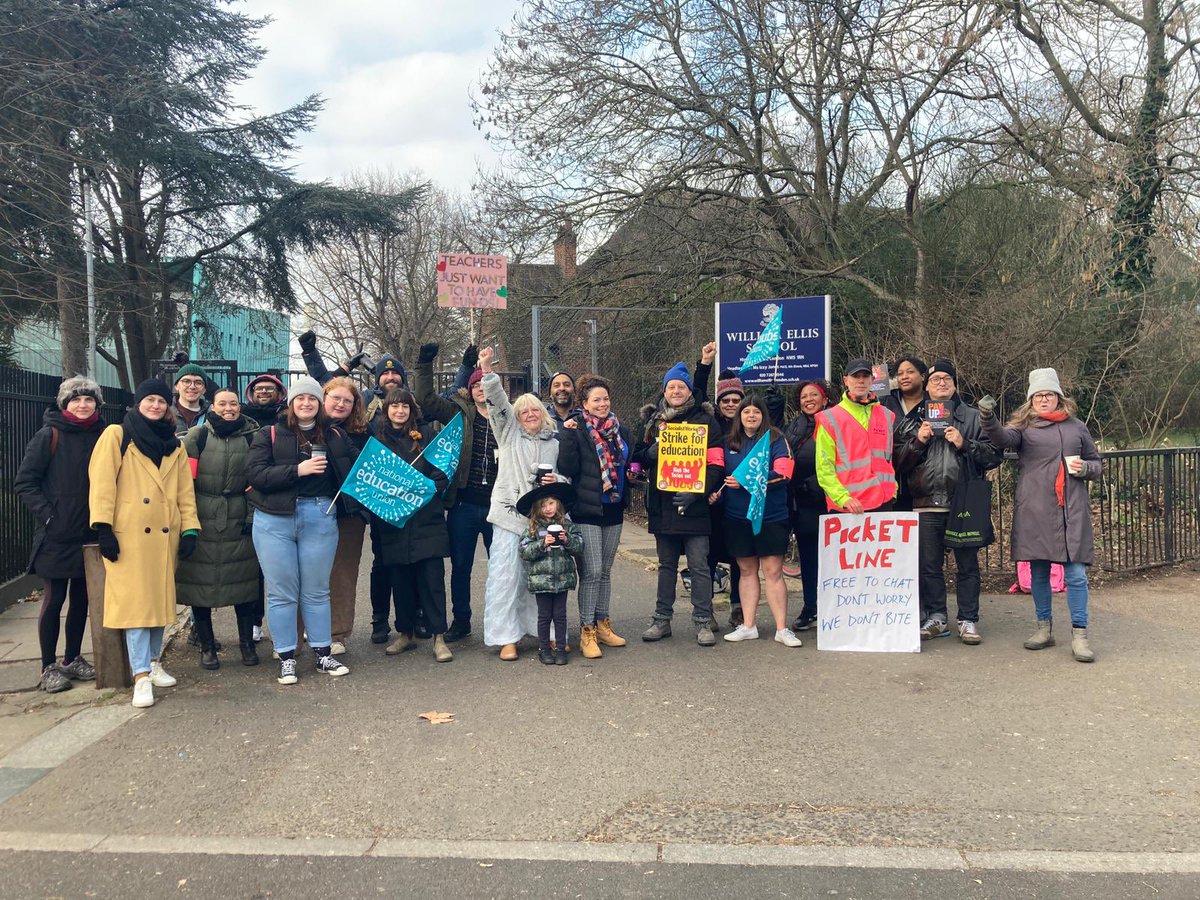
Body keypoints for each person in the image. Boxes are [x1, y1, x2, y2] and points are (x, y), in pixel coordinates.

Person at [88, 379, 200, 709]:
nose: (156, 405)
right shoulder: (117, 435)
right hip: (129, 535)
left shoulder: (175, 445)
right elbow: (102, 483)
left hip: (164, 534)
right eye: (150, 399)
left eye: (161, 401)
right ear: (138, 403)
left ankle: (153, 662)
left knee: (159, 604)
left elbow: (184, 491)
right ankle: (140, 676)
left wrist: (190, 529)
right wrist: (103, 527)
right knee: (136, 608)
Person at [979, 368, 1101, 662]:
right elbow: (1001, 437)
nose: (1043, 400)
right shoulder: (1023, 428)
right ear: (1031, 400)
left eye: (1048, 394)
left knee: (1076, 575)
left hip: (1071, 510)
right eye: (1038, 396)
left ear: (1059, 397)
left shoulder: (1077, 427)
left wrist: (1086, 468)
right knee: (1039, 573)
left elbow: (1096, 463)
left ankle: (1080, 636)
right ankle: (1044, 629)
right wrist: (987, 417)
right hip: (1035, 509)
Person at [245, 376, 359, 685]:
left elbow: (359, 468)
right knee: (281, 591)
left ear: (319, 404)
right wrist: (297, 470)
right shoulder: (269, 433)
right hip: (274, 519)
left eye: (312, 399)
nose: (306, 403)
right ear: (291, 403)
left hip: (319, 515)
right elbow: (255, 474)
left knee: (317, 591)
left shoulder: (334, 435)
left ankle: (323, 653)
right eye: (301, 398)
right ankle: (286, 656)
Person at [893, 360, 1001, 644]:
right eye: (935, 379)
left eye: (947, 379)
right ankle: (937, 617)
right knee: (929, 566)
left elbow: (994, 455)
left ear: (955, 384)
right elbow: (896, 462)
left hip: (962, 502)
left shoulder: (973, 417)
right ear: (926, 386)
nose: (941, 383)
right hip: (925, 502)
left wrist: (965, 444)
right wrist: (918, 441)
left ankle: (968, 619)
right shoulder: (913, 420)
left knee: (967, 566)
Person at [14, 376, 107, 693]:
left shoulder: (104, 435)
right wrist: (49, 516)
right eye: (76, 400)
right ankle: (47, 666)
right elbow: (25, 482)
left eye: (89, 399)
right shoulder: (48, 435)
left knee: (82, 600)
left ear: (96, 404)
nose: (83, 405)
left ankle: (72, 658)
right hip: (56, 535)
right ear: (65, 404)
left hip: (90, 533)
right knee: (53, 600)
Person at [478, 346, 562, 661]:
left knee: (541, 578)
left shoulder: (553, 444)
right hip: (509, 516)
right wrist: (488, 372)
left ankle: (544, 632)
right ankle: (506, 638)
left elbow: (561, 476)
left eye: (534, 410)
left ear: (543, 413)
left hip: (542, 519)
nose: (529, 414)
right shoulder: (509, 434)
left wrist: (557, 480)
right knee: (506, 576)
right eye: (523, 411)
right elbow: (498, 404)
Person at [633, 361, 725, 647]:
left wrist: (698, 492)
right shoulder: (652, 422)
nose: (676, 391)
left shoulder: (706, 421)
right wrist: (649, 453)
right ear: (664, 391)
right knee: (666, 566)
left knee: (699, 566)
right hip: (663, 506)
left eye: (681, 387)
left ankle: (703, 620)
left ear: (689, 391)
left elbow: (717, 463)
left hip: (695, 506)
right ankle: (661, 619)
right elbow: (637, 458)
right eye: (671, 386)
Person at [414, 343, 498, 643]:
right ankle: (461, 621)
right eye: (475, 385)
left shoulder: (505, 415)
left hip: (499, 507)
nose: (480, 389)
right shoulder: (458, 414)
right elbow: (425, 399)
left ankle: (500, 623)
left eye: (484, 384)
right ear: (469, 390)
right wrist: (424, 362)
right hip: (464, 505)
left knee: (501, 567)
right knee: (461, 567)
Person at [176, 387, 263, 668]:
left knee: (244, 584)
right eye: (222, 403)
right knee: (200, 585)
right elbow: (184, 482)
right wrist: (188, 523)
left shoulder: (252, 437)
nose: (228, 408)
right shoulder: (197, 436)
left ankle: (247, 644)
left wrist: (250, 516)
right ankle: (207, 645)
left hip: (238, 515)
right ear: (212, 407)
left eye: (233, 403)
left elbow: (256, 480)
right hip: (203, 515)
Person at [372, 388, 454, 663]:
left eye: (405, 406)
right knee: (401, 583)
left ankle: (439, 637)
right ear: (386, 410)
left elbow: (441, 472)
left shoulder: (427, 436)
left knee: (432, 582)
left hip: (425, 520)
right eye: (394, 406)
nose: (400, 411)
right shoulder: (378, 441)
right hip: (395, 522)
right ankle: (405, 633)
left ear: (412, 410)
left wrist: (424, 491)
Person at [718, 396, 801, 647]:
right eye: (746, 412)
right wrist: (714, 492)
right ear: (739, 416)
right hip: (737, 517)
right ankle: (748, 625)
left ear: (763, 415)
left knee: (773, 572)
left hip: (771, 517)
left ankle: (782, 629)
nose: (751, 416)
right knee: (746, 571)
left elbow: (784, 474)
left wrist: (746, 481)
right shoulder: (728, 442)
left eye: (756, 412)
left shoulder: (777, 440)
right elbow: (718, 474)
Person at [557, 374, 630, 658]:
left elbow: (631, 459)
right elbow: (567, 467)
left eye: (605, 399)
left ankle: (602, 624)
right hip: (587, 509)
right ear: (584, 404)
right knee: (592, 571)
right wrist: (567, 435)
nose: (602, 404)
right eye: (596, 400)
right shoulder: (577, 428)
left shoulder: (620, 429)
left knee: (606, 571)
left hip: (613, 508)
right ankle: (586, 630)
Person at [321, 376, 370, 655]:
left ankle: (337, 633)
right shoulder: (306, 428)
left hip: (348, 514)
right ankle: (301, 631)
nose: (340, 404)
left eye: (347, 401)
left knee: (342, 574)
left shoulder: (362, 434)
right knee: (309, 573)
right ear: (324, 398)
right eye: (336, 398)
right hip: (312, 509)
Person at [784, 378, 836, 632]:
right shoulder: (793, 426)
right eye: (804, 396)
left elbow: (843, 457)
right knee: (808, 559)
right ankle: (810, 607)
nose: (808, 400)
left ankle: (835, 608)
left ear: (825, 398)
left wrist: (817, 483)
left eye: (814, 395)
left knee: (832, 559)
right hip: (801, 503)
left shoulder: (836, 422)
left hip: (829, 501)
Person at [815, 358, 898, 514]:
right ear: (846, 380)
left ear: (872, 380)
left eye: (865, 376)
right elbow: (824, 467)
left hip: (884, 501)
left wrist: (893, 489)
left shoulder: (887, 415)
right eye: (855, 376)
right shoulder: (830, 418)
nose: (861, 381)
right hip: (848, 505)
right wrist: (843, 498)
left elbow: (888, 459)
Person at [517, 482, 584, 665]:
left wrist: (567, 540)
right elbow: (524, 551)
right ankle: (544, 649)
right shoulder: (533, 528)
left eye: (551, 503)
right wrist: (542, 544)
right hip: (541, 580)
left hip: (562, 579)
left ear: (558, 504)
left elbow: (579, 546)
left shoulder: (567, 526)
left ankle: (561, 649)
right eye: (543, 505)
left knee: (560, 616)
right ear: (537, 508)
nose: (548, 508)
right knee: (544, 616)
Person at [882, 355, 928, 511]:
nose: (904, 377)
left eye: (910, 372)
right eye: (900, 373)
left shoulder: (933, 404)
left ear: (923, 376)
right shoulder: (885, 402)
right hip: (891, 483)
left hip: (923, 485)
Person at [170, 363, 209, 437]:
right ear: (176, 386)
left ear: (204, 389)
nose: (192, 387)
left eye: (198, 383)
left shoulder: (211, 415)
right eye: (186, 381)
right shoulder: (165, 412)